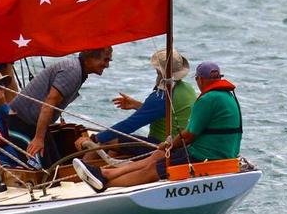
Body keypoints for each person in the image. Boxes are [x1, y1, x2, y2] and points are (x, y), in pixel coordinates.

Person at [72, 60, 242, 192]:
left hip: (205, 155)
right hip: (223, 152)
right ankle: (107, 173)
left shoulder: (206, 99)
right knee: (159, 154)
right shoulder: (223, 95)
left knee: (154, 168)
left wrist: (170, 145)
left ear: (200, 79)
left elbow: (189, 134)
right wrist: (167, 147)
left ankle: (105, 185)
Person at [79, 48, 195, 158]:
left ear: (160, 70)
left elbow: (129, 125)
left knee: (106, 141)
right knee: (115, 150)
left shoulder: (161, 97)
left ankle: (81, 169)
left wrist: (94, 139)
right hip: (182, 145)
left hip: (163, 146)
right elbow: (167, 111)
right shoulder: (188, 88)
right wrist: (137, 105)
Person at [9, 47, 113, 166]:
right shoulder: (72, 71)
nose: (107, 65)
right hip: (21, 123)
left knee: (56, 165)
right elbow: (49, 104)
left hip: (35, 124)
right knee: (44, 169)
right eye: (105, 60)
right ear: (89, 58)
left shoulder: (78, 70)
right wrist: (38, 139)